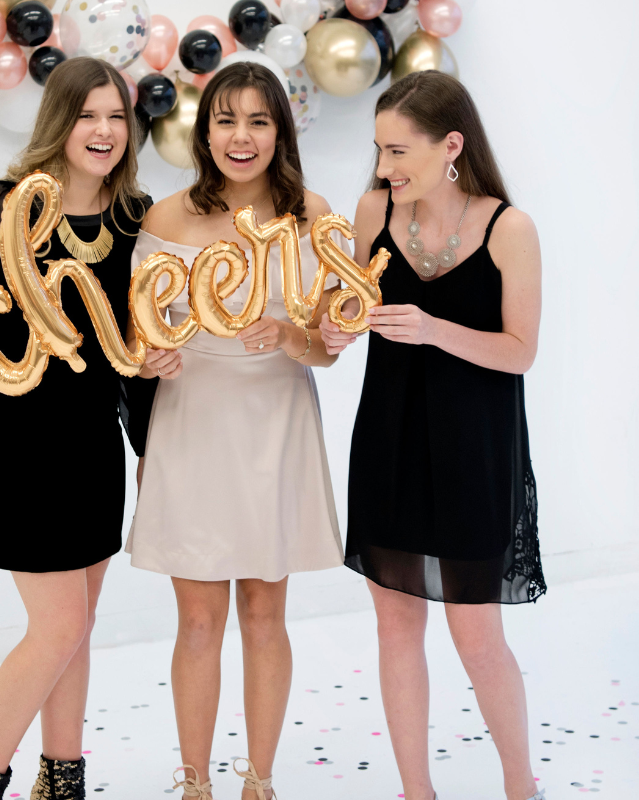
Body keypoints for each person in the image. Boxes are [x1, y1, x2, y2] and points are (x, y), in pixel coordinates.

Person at [0, 57, 165, 800]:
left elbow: (132, 353)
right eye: (88, 116)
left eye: (117, 116)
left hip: (90, 445)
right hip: (15, 441)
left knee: (77, 624)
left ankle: (64, 779)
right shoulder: (0, 206)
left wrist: (157, 376)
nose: (105, 131)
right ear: (59, 122)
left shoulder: (132, 221)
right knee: (57, 626)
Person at [320, 70, 546, 800]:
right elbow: (344, 313)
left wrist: (432, 329)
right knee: (395, 628)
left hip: (476, 448)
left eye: (397, 151)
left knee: (478, 637)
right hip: (388, 437)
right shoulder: (372, 210)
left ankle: (521, 786)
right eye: (379, 151)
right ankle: (416, 792)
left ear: (451, 145)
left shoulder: (509, 227)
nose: (384, 168)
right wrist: (333, 326)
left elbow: (520, 351)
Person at [125, 62, 344, 800]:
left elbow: (330, 347)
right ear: (204, 130)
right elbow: (137, 340)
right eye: (226, 120)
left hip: (274, 420)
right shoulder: (165, 218)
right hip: (191, 419)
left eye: (258, 120)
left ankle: (260, 779)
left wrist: (290, 336)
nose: (240, 136)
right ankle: (194, 783)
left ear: (280, 130)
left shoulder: (312, 217)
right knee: (197, 616)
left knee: (263, 610)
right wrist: (150, 359)